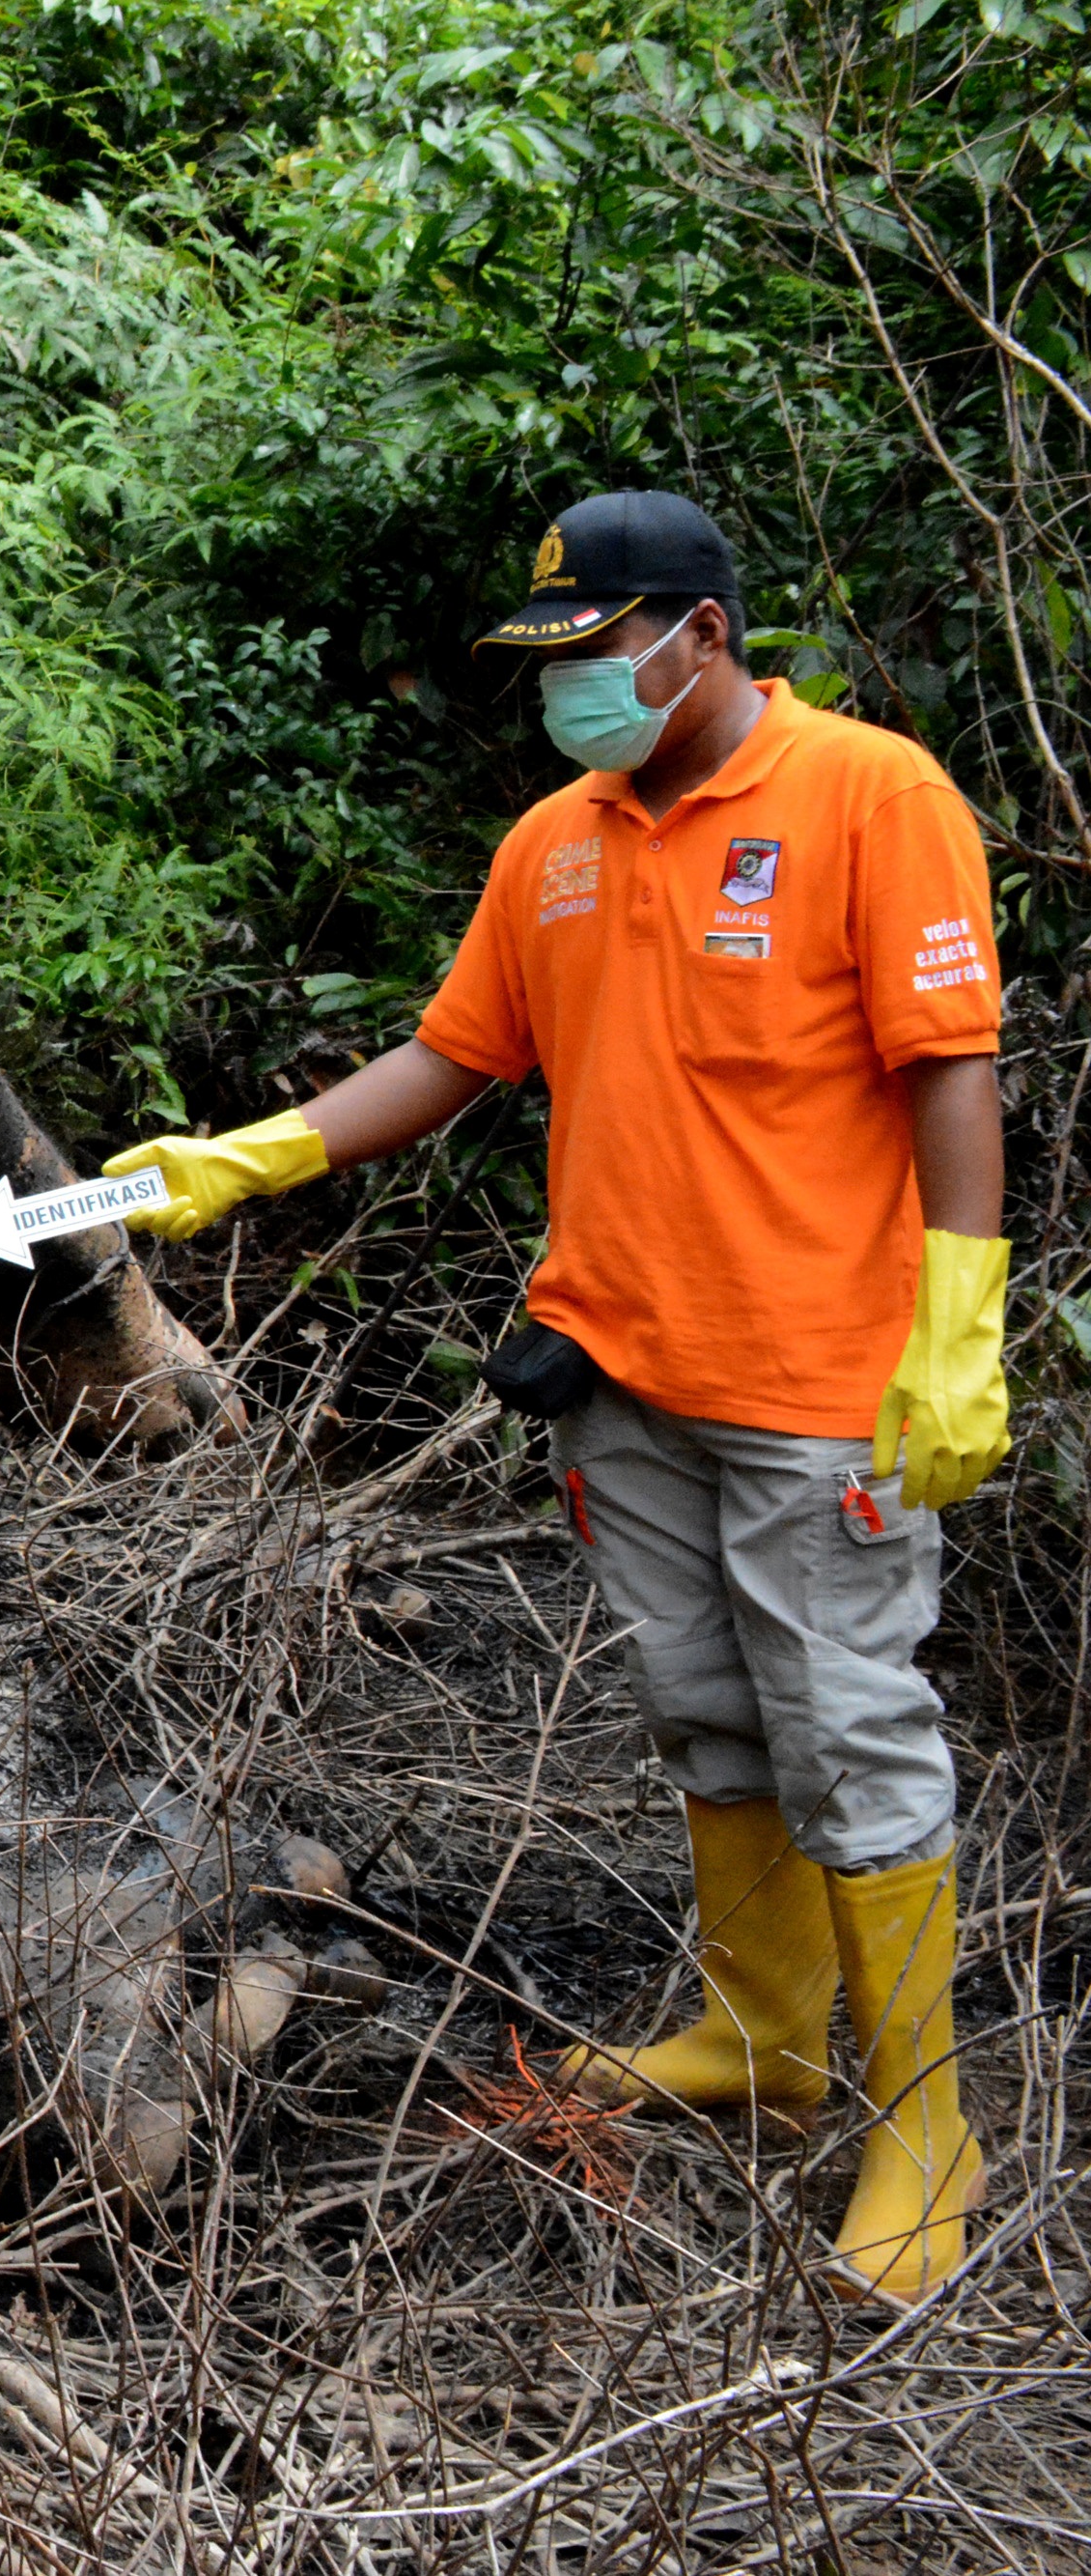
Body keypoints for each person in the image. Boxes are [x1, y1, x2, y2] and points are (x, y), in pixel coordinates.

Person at [103, 491, 1007, 2307]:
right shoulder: (558, 845)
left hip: (824, 1382)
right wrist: (242, 1157)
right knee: (705, 1715)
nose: (573, 694)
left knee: (852, 1731)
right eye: (555, 666)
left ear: (698, 635)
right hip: (623, 1373)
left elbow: (950, 1071)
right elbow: (453, 1052)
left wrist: (959, 1319)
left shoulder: (871, 797)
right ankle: (764, 2040)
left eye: (597, 655)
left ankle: (929, 2125)